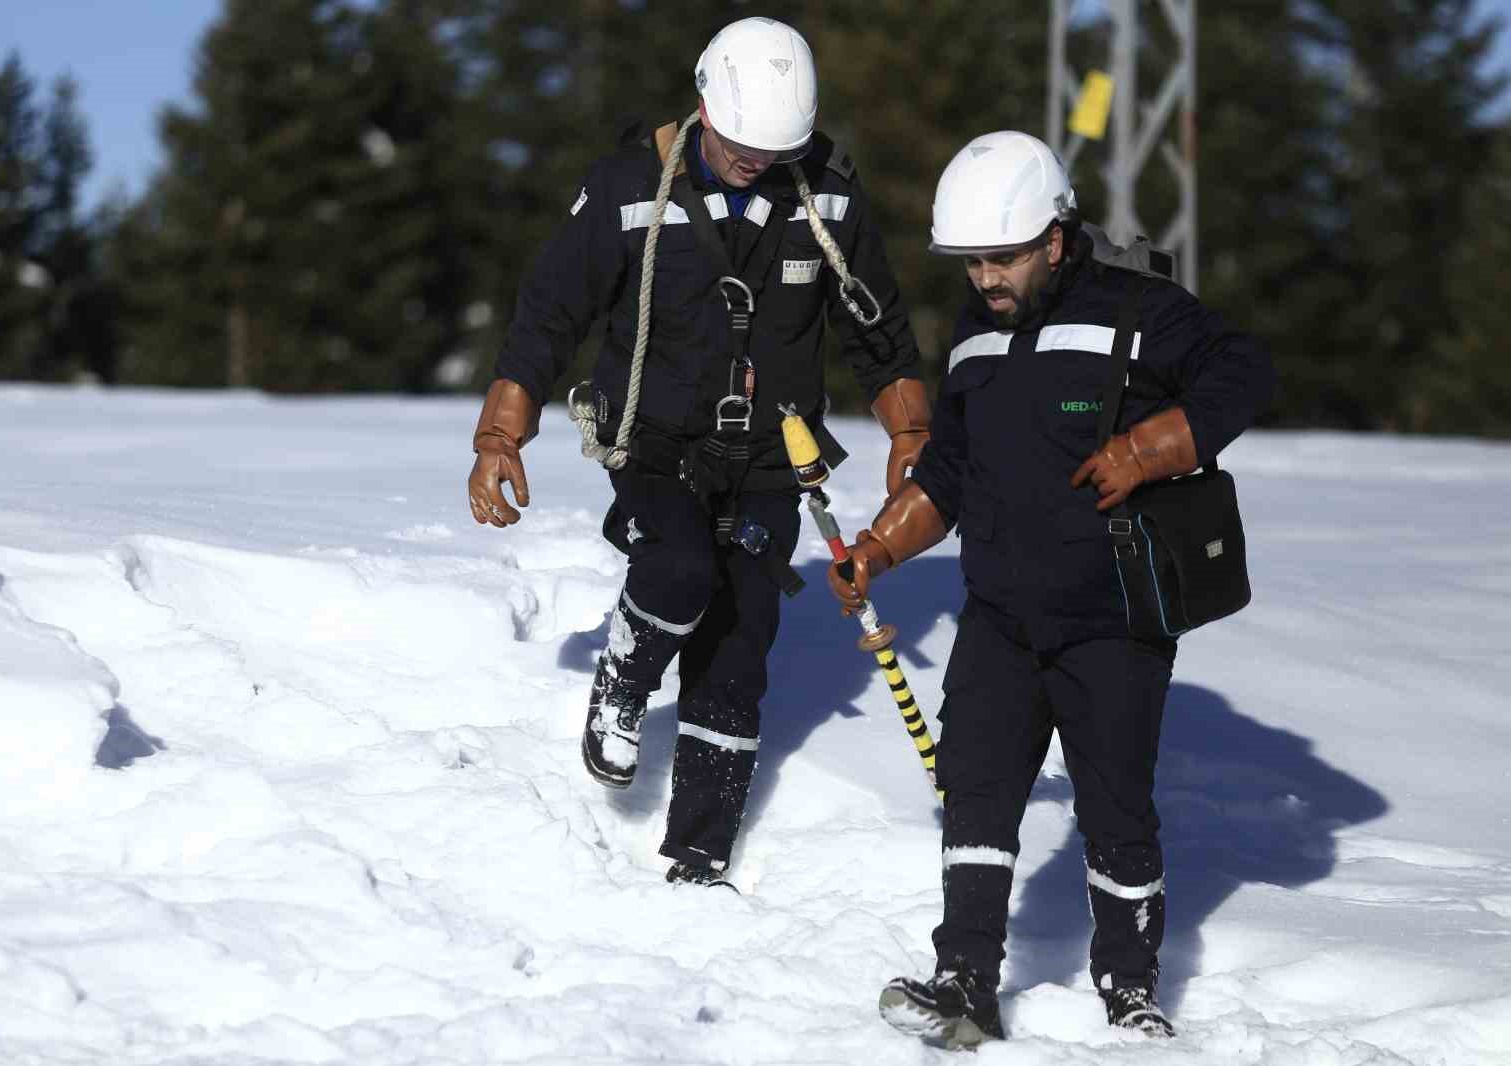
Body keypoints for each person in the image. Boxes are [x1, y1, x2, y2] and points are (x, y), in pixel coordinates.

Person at [829, 131, 1274, 1047]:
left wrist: (1150, 449)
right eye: (972, 261)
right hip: (998, 614)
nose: (986, 277)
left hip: (1112, 619)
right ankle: (964, 982)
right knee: (977, 795)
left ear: (1057, 238)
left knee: (1115, 809)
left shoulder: (1142, 310)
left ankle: (1130, 989)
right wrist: (878, 547)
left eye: (1003, 257)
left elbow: (1244, 372)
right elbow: (948, 469)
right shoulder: (972, 335)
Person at [467, 17, 927, 889]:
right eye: (745, 141)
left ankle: (699, 853)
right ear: (707, 103)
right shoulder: (628, 185)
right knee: (678, 573)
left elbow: (880, 327)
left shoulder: (828, 194)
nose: (758, 158)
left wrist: (911, 429)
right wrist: (501, 434)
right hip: (654, 439)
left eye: (776, 146)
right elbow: (550, 312)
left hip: (769, 455)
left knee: (741, 641)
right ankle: (624, 685)